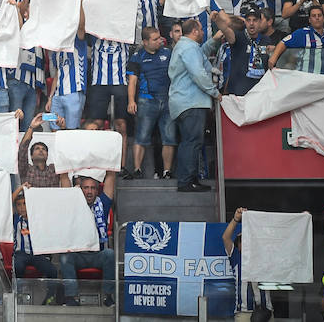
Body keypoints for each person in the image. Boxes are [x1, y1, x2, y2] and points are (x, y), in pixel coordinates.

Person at [168, 18, 216, 193]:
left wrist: (215, 40)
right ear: (195, 31)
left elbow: (201, 54)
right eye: (202, 30)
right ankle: (186, 182)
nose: (203, 33)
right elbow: (198, 73)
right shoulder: (189, 47)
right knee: (191, 142)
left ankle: (191, 179)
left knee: (191, 142)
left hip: (184, 102)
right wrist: (215, 93)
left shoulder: (185, 46)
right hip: (191, 101)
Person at [125, 26, 175, 180]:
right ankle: (137, 169)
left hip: (167, 100)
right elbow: (132, 82)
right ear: (145, 42)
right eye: (155, 39)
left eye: (159, 37)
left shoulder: (168, 52)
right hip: (146, 101)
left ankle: (167, 171)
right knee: (141, 136)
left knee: (169, 137)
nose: (159, 41)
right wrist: (131, 101)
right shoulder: (137, 57)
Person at [58, 176, 116, 306]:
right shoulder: (72, 203)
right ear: (80, 190)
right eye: (86, 188)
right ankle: (71, 298)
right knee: (65, 257)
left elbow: (111, 177)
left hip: (97, 254)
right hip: (78, 254)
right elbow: (64, 178)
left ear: (97, 191)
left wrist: (112, 161)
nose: (89, 191)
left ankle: (108, 297)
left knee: (110, 254)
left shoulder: (103, 204)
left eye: (93, 188)